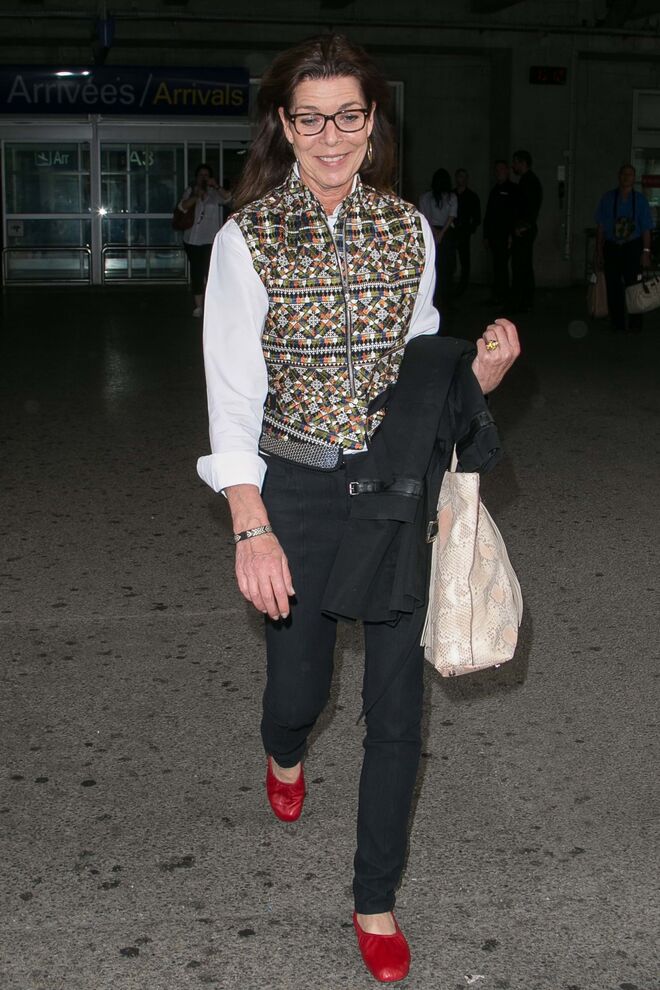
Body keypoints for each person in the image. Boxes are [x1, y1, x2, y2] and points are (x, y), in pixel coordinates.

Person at [196, 34, 520, 984]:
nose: (331, 136)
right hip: (292, 488)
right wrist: (251, 525)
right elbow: (231, 393)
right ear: (284, 126)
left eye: (349, 116)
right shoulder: (247, 240)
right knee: (299, 693)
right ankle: (283, 750)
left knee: (396, 711)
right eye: (311, 118)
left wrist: (479, 376)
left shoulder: (408, 231)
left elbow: (419, 367)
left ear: (373, 121)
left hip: (391, 489)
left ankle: (374, 900)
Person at [595, 163, 654, 333]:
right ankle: (617, 322)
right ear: (619, 176)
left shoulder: (640, 200)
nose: (626, 177)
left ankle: (635, 323)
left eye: (630, 174)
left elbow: (646, 228)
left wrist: (646, 251)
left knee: (634, 286)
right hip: (612, 247)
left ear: (634, 178)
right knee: (613, 285)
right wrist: (599, 251)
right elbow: (601, 226)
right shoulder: (608, 198)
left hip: (632, 247)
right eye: (624, 174)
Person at [176, 163, 231, 317]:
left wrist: (216, 186)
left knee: (211, 272)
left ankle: (212, 304)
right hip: (192, 239)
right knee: (197, 271)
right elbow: (182, 207)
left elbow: (229, 198)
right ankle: (199, 306)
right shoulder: (191, 190)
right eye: (201, 175)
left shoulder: (215, 193)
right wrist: (196, 196)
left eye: (206, 175)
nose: (204, 178)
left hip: (211, 239)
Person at [419, 168, 458, 316]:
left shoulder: (426, 197)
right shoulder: (451, 197)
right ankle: (446, 301)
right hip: (445, 233)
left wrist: (435, 233)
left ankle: (437, 301)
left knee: (435, 268)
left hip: (433, 231)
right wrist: (441, 234)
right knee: (446, 268)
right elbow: (451, 217)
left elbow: (424, 216)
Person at [510, 149, 543, 312]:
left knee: (520, 265)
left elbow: (529, 208)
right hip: (525, 228)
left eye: (515, 162)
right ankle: (525, 300)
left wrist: (522, 226)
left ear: (522, 163)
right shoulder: (529, 181)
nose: (513, 166)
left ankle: (520, 301)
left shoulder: (528, 182)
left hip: (524, 229)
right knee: (524, 265)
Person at [483, 160, 518, 305]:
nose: (499, 172)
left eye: (502, 169)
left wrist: (511, 234)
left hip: (505, 235)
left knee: (503, 266)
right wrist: (486, 235)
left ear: (507, 171)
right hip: (494, 235)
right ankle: (497, 294)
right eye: (497, 170)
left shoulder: (512, 190)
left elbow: (514, 214)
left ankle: (504, 295)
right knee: (497, 266)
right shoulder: (495, 190)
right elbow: (489, 214)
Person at [453, 168, 481, 295]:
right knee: (451, 258)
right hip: (451, 231)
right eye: (460, 176)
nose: (462, 179)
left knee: (465, 259)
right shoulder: (451, 195)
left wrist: (469, 229)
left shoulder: (472, 197)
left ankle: (463, 286)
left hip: (464, 232)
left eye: (464, 177)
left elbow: (477, 217)